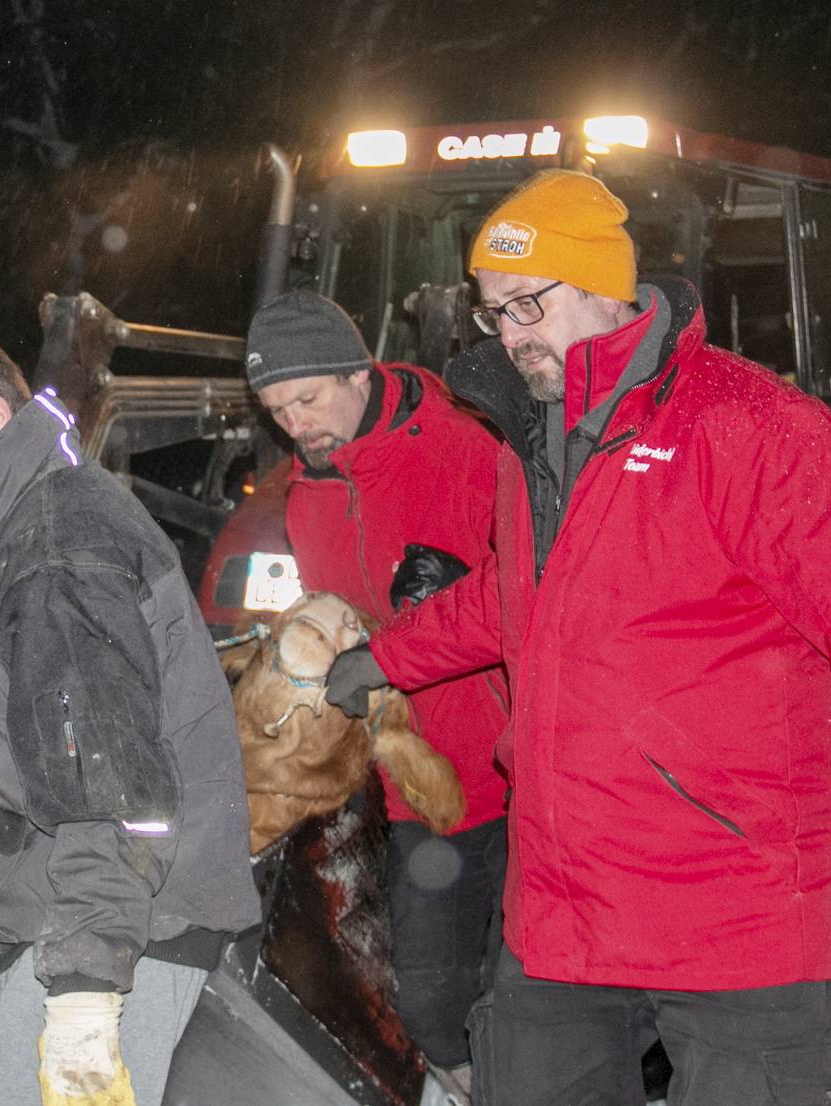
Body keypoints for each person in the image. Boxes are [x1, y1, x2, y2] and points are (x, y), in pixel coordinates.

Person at [323, 169, 831, 1106]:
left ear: (600, 287)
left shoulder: (749, 425)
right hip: (560, 903)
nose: (508, 334)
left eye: (527, 304)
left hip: (732, 899)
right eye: (492, 312)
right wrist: (378, 659)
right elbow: (509, 605)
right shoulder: (528, 445)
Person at [0, 308, 260, 1106]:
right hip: (66, 923)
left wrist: (84, 992)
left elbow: (108, 789)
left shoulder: (55, 552)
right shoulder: (24, 532)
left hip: (105, 939)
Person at [244, 289, 509, 1104]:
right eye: (276, 407)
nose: (296, 423)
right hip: (410, 787)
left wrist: (465, 595)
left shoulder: (463, 451)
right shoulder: (303, 496)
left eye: (309, 397)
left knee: (541, 999)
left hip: (511, 764)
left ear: (358, 375)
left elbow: (544, 592)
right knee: (430, 1006)